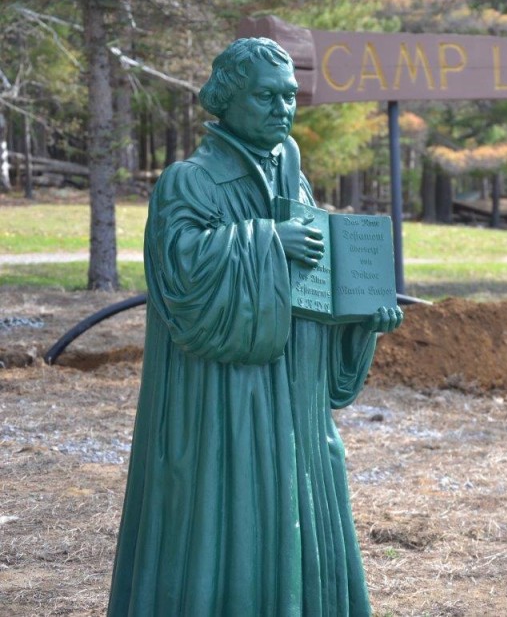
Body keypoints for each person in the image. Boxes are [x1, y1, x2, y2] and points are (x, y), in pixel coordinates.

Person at [108, 37, 403, 616]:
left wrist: (361, 319)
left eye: (290, 96)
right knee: (229, 500)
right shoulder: (189, 180)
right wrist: (268, 242)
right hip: (220, 400)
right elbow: (180, 277)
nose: (282, 109)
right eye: (265, 96)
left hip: (295, 394)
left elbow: (313, 289)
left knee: (296, 496)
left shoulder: (294, 180)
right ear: (227, 99)